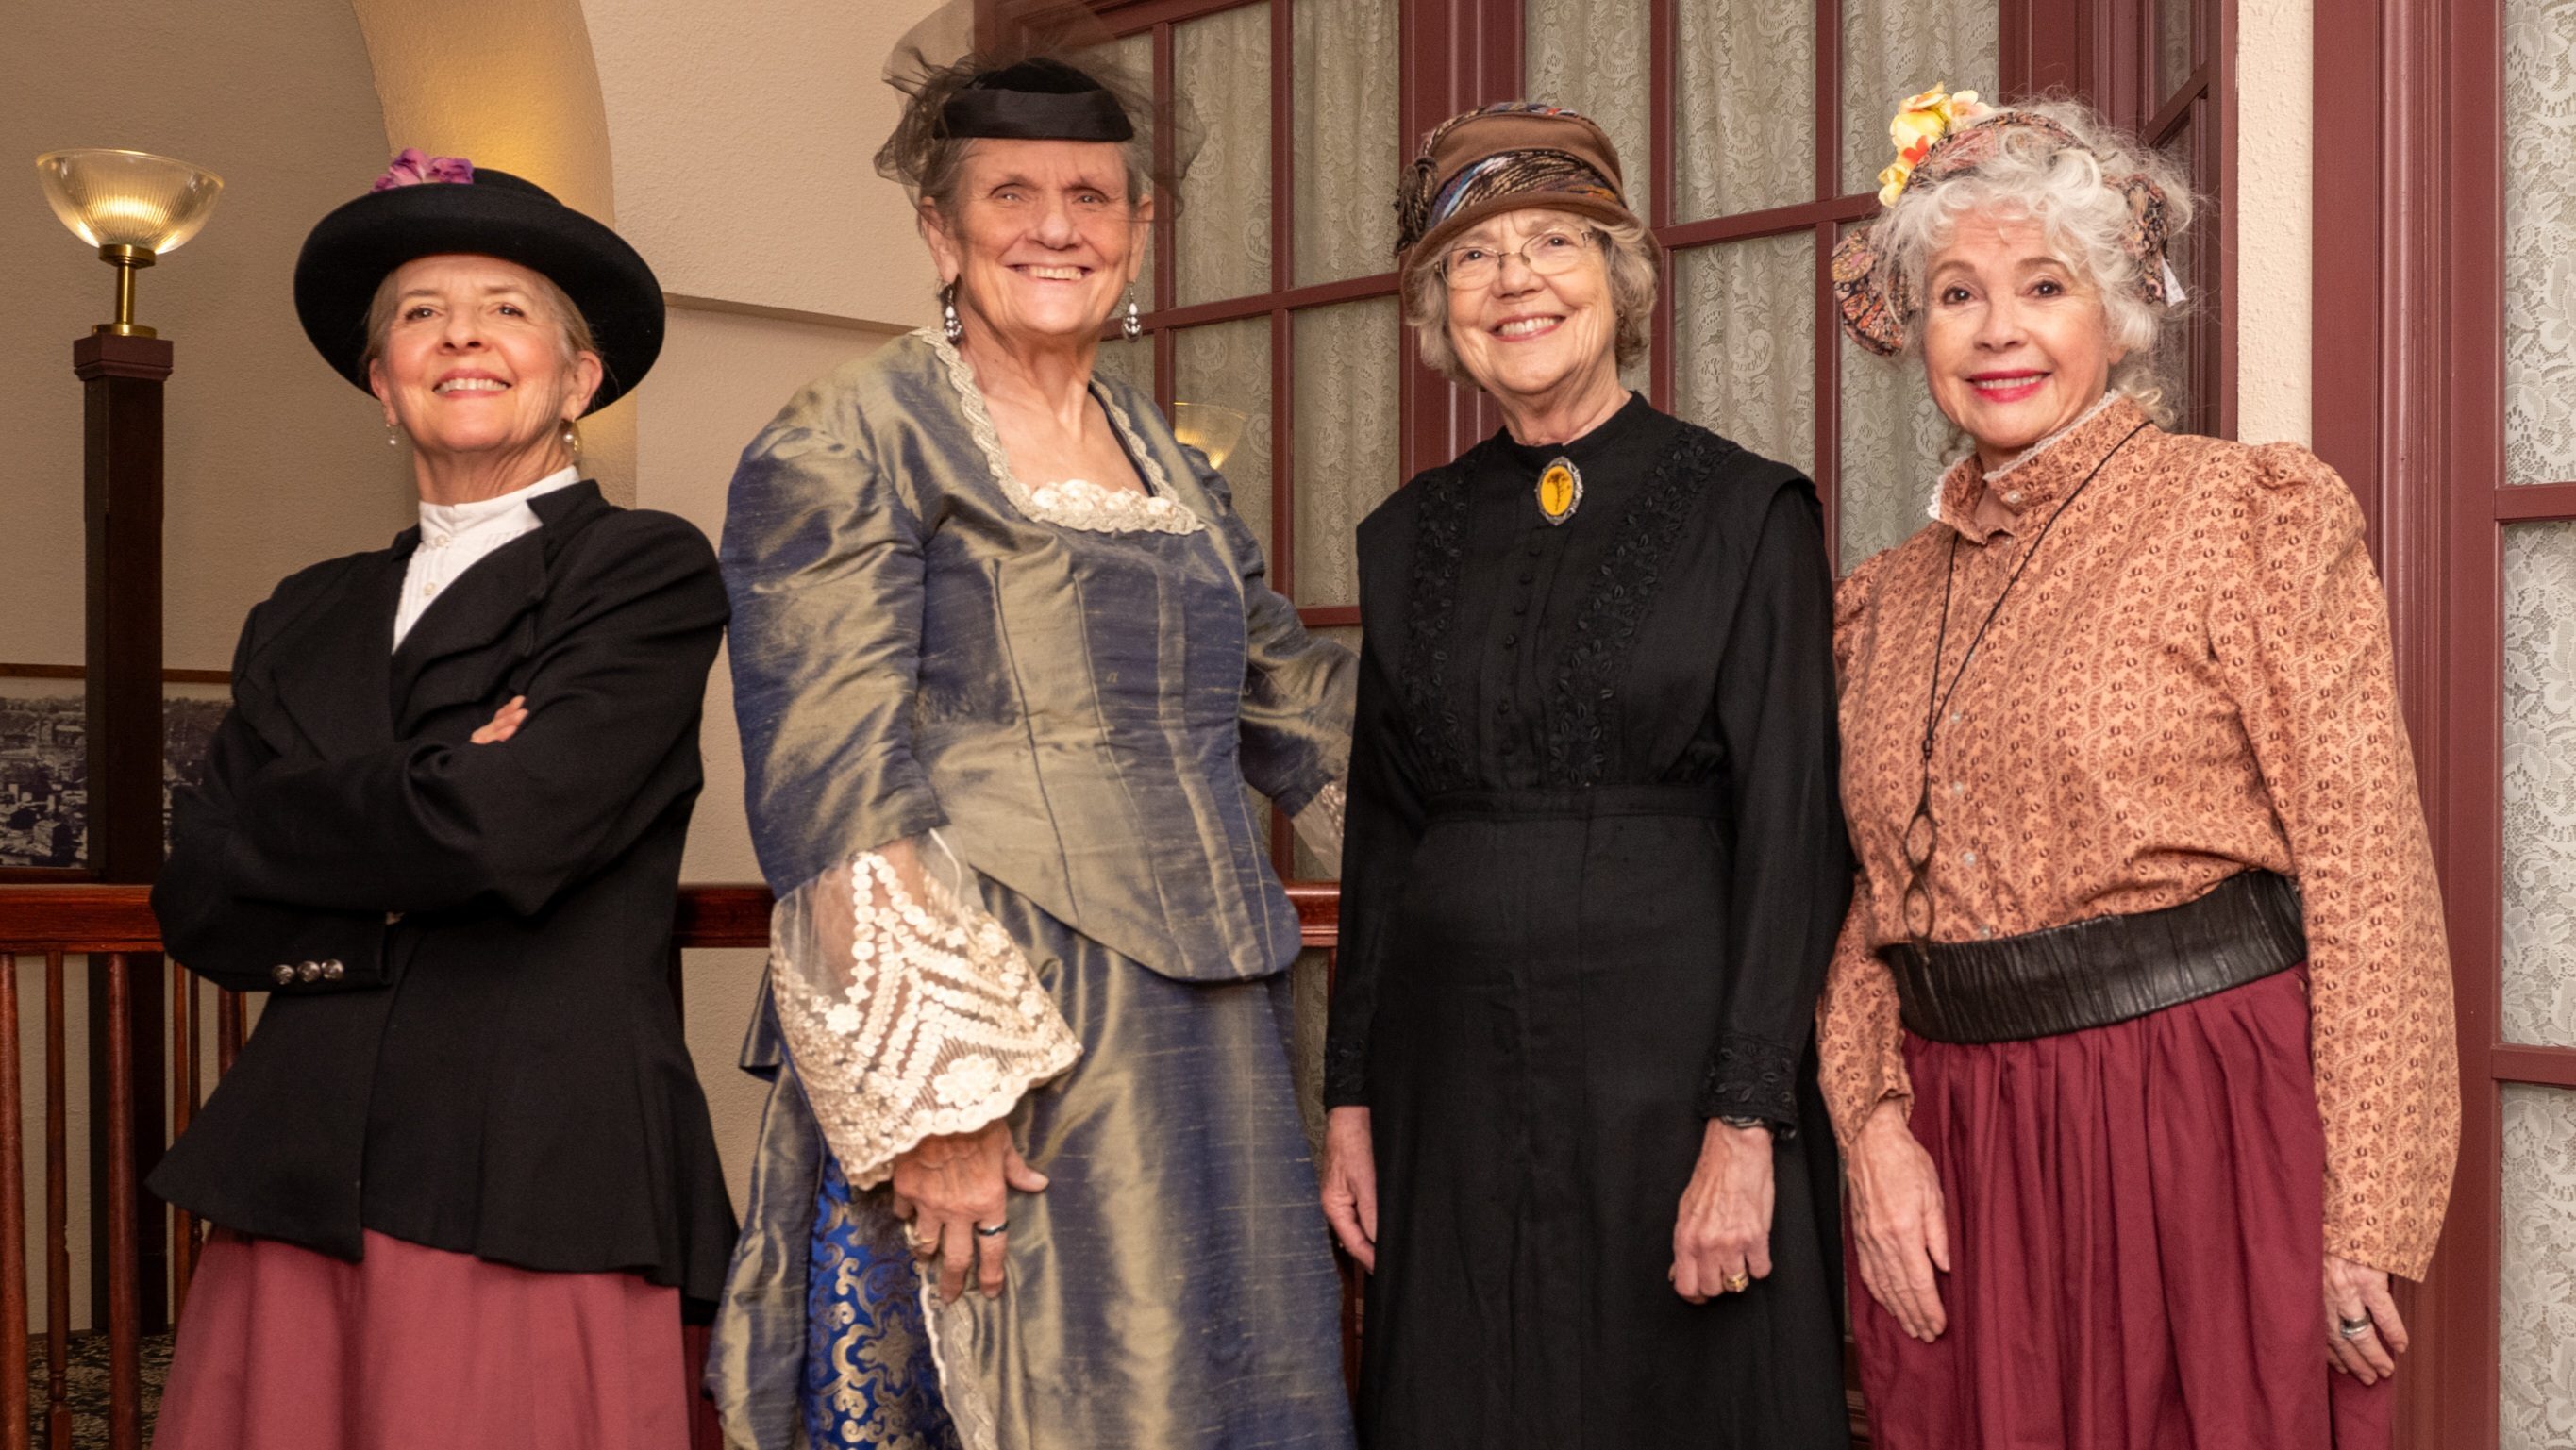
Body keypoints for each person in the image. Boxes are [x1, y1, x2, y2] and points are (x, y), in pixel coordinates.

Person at [708, 39, 1357, 1450]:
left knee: (1223, 1390)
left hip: (1202, 1025)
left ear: (1136, 230)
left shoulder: (1166, 453)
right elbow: (834, 778)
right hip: (1007, 1015)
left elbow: (1289, 700)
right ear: (939, 229)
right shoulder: (847, 432)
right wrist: (939, 1101)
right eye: (1011, 193)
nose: (1056, 225)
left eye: (1093, 195)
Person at [1818, 89, 2460, 1449]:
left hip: (2198, 1129)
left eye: (2042, 286)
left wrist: (2367, 1218)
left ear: (2115, 316)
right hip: (1964, 1154)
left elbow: (2367, 874)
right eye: (1954, 293)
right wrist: (1872, 1129)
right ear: (1913, 330)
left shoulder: (2244, 517)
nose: (1997, 331)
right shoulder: (1879, 601)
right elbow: (1868, 908)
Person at [145, 153, 736, 1448]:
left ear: (579, 379)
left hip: (530, 1158)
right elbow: (199, 892)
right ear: (379, 384)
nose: (459, 331)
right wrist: (438, 780)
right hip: (299, 1170)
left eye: (506, 306)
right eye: (418, 312)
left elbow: (509, 826)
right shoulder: (301, 610)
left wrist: (312, 829)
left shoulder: (640, 569)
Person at [1319, 102, 1853, 1449]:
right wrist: (1350, 1098)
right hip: (1450, 1088)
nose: (1515, 282)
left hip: (1672, 1085)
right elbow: (1382, 840)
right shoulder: (1404, 536)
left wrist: (1747, 1122)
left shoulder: (1748, 513)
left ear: (1617, 279)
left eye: (1554, 241)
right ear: (1440, 311)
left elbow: (1794, 833)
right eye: (1473, 259)